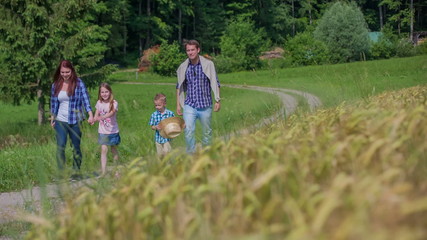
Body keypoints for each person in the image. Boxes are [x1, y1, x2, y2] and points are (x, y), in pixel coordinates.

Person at [176, 39, 221, 153]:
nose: (190, 52)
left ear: (198, 50)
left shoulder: (208, 65)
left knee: (207, 132)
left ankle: (207, 153)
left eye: (192, 50)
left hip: (205, 105)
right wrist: (178, 105)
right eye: (188, 50)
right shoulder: (184, 67)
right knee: (188, 130)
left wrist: (217, 100)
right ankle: (191, 155)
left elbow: (216, 83)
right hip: (190, 105)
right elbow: (179, 86)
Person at [50, 60, 94, 175]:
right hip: (61, 120)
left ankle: (76, 171)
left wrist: (90, 114)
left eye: (67, 72)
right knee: (60, 146)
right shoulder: (55, 85)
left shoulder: (78, 83)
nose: (65, 74)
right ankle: (61, 173)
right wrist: (53, 118)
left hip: (76, 120)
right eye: (62, 72)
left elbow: (85, 99)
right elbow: (54, 103)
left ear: (72, 71)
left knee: (76, 147)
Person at [94, 83, 120, 176]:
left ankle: (116, 170)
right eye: (102, 92)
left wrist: (102, 117)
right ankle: (104, 172)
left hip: (113, 131)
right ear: (99, 93)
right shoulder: (99, 103)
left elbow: (112, 113)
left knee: (113, 150)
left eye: (106, 92)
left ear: (110, 92)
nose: (104, 94)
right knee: (103, 149)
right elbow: (96, 113)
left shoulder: (114, 103)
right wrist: (94, 119)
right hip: (102, 131)